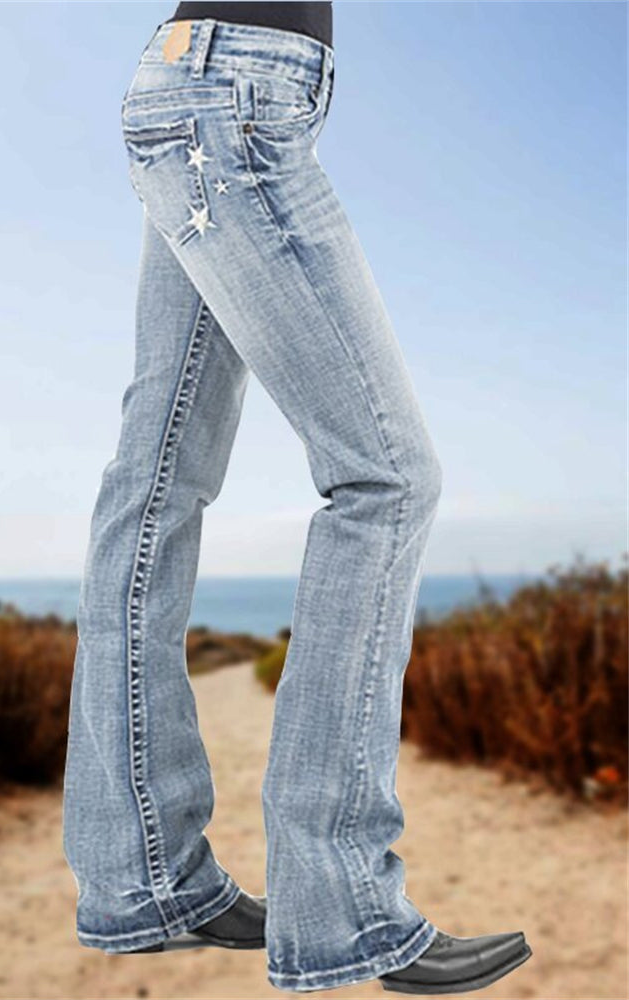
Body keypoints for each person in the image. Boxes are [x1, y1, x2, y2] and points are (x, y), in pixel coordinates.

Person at [61, 3, 533, 994]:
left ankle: (144, 880)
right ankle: (339, 906)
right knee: (387, 476)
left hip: (198, 90)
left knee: (153, 482)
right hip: (236, 103)